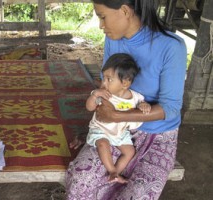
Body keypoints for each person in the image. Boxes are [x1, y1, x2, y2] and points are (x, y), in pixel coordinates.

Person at [66, 0, 187, 199]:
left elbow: (171, 108)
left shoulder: (171, 46)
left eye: (102, 16)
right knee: (81, 181)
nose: (100, 25)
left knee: (137, 195)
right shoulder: (114, 39)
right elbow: (105, 87)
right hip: (116, 131)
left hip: (159, 138)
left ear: (124, 10)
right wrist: (98, 128)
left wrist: (116, 115)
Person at [73, 53, 151, 184]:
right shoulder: (104, 94)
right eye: (104, 78)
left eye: (109, 79)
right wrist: (94, 95)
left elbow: (142, 106)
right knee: (103, 144)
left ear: (125, 83)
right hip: (100, 130)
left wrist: (144, 105)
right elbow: (89, 107)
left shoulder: (135, 97)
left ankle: (116, 173)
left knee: (130, 151)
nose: (104, 83)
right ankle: (112, 171)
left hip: (120, 133)